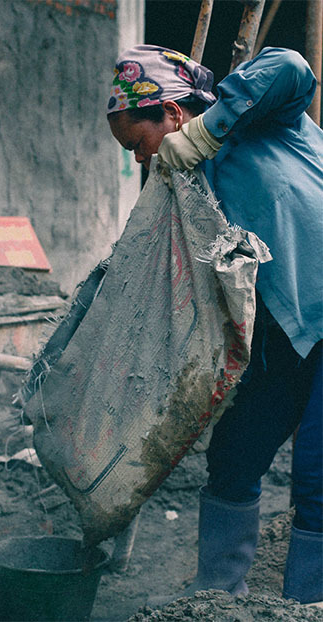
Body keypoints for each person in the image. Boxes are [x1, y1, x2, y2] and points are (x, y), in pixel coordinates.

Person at [107, 45, 323, 605]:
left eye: (136, 145)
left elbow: (292, 67)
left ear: (173, 115)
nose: (138, 161)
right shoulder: (188, 193)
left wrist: (210, 130)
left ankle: (304, 610)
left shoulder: (262, 123)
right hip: (284, 339)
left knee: (318, 481)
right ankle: (216, 603)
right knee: (232, 457)